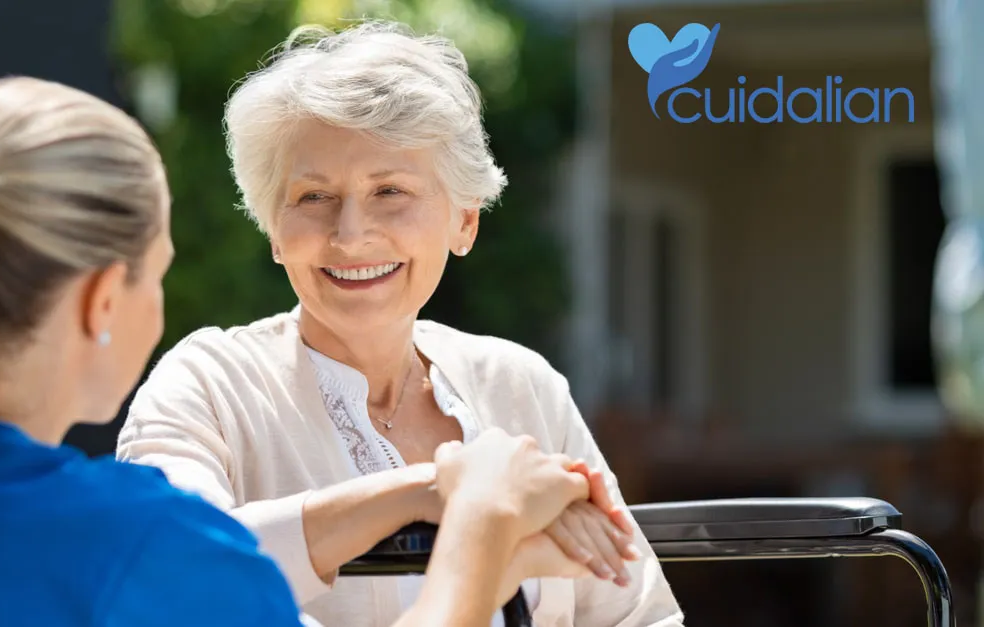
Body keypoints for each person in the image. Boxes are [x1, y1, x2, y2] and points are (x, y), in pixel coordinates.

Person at [0, 76, 611, 627]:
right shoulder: (146, 546)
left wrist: (428, 489)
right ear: (105, 300)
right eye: (160, 275)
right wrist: (481, 524)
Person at [115, 20, 684, 627]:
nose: (350, 234)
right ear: (274, 230)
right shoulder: (208, 386)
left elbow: (639, 614)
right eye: (313, 197)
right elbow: (166, 567)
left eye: (390, 190)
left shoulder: (521, 384)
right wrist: (442, 494)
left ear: (464, 222)